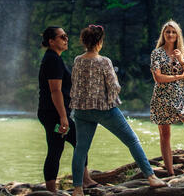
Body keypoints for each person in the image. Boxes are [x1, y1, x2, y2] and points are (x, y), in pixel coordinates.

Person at [69, 25, 167, 196]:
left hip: (81, 110)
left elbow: (75, 84)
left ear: (84, 42)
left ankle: (78, 189)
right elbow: (114, 86)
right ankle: (151, 177)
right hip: (104, 109)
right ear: (99, 42)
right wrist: (113, 96)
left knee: (81, 149)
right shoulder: (104, 61)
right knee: (132, 140)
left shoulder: (78, 60)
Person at [36, 27, 97, 193]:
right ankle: (51, 191)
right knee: (58, 147)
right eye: (62, 37)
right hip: (54, 114)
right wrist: (63, 118)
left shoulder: (54, 58)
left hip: (53, 113)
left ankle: (84, 180)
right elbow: (55, 91)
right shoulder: (53, 60)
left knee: (77, 142)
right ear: (51, 41)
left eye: (67, 36)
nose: (66, 39)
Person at [149, 20, 184, 176]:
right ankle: (170, 172)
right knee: (165, 134)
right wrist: (177, 76)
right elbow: (158, 78)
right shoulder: (157, 53)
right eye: (168, 32)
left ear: (178, 34)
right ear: (163, 34)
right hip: (162, 97)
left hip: (183, 95)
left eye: (173, 32)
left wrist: (182, 61)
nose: (170, 34)